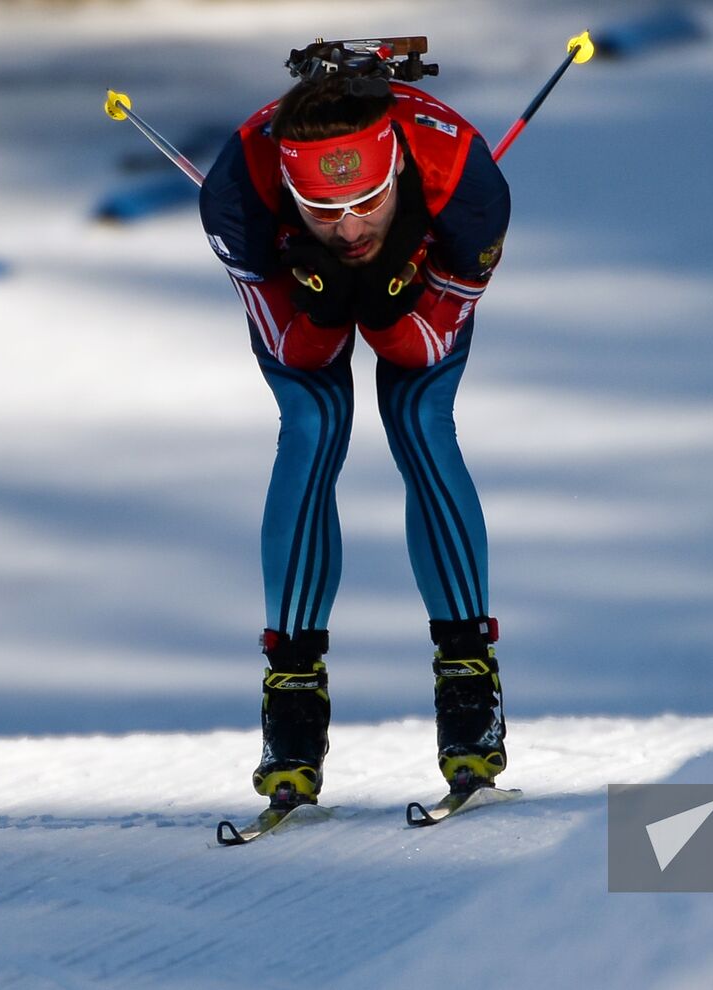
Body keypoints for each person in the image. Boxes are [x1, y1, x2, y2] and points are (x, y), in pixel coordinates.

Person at [198, 61, 510, 810]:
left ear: (398, 167)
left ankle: (468, 675)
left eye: (369, 202)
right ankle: (292, 694)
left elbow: (423, 349)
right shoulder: (237, 193)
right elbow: (296, 350)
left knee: (419, 420)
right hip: (302, 291)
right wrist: (329, 303)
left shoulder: (467, 182)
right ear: (291, 192)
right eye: (322, 209)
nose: (350, 228)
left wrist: (386, 300)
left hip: (426, 270)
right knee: (312, 422)